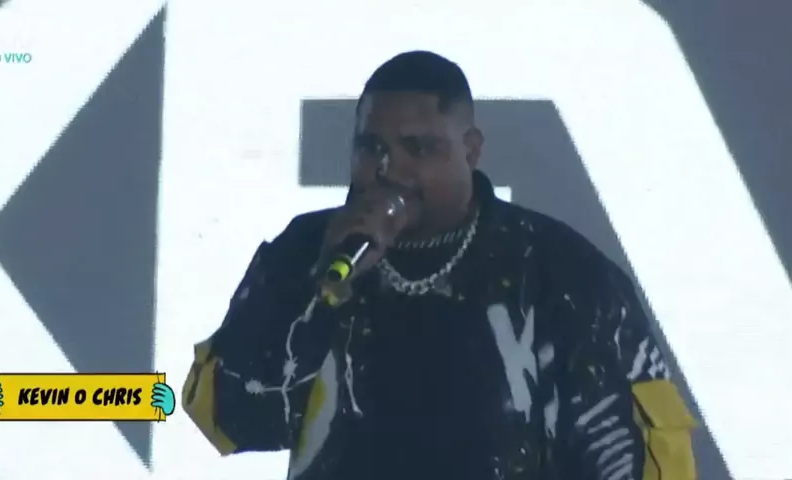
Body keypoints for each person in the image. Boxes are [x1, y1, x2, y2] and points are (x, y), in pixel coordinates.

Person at [182, 50, 697, 480]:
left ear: (470, 150)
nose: (389, 170)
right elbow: (230, 420)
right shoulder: (307, 250)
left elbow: (626, 460)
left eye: (419, 148)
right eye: (371, 147)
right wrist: (321, 295)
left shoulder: (561, 272)